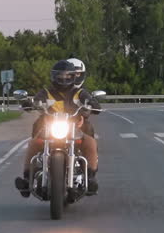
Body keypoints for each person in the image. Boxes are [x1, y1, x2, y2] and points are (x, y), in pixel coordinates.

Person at [14, 58, 102, 197]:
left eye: (67, 75)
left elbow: (90, 101)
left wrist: (93, 104)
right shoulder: (46, 92)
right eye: (60, 75)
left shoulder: (79, 93)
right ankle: (26, 179)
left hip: (74, 129)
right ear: (54, 76)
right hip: (49, 129)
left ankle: (90, 178)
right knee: (32, 144)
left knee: (91, 142)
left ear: (73, 76)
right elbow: (36, 101)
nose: (63, 78)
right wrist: (28, 103)